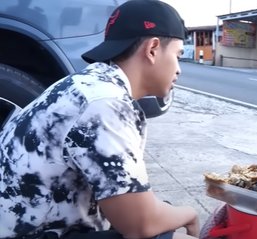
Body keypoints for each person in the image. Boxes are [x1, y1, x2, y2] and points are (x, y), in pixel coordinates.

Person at [0, 1, 199, 238]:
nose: (179, 69)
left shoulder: (86, 84)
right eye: (177, 55)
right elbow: (139, 224)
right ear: (153, 49)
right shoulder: (105, 103)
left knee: (159, 211)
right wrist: (190, 214)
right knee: (169, 234)